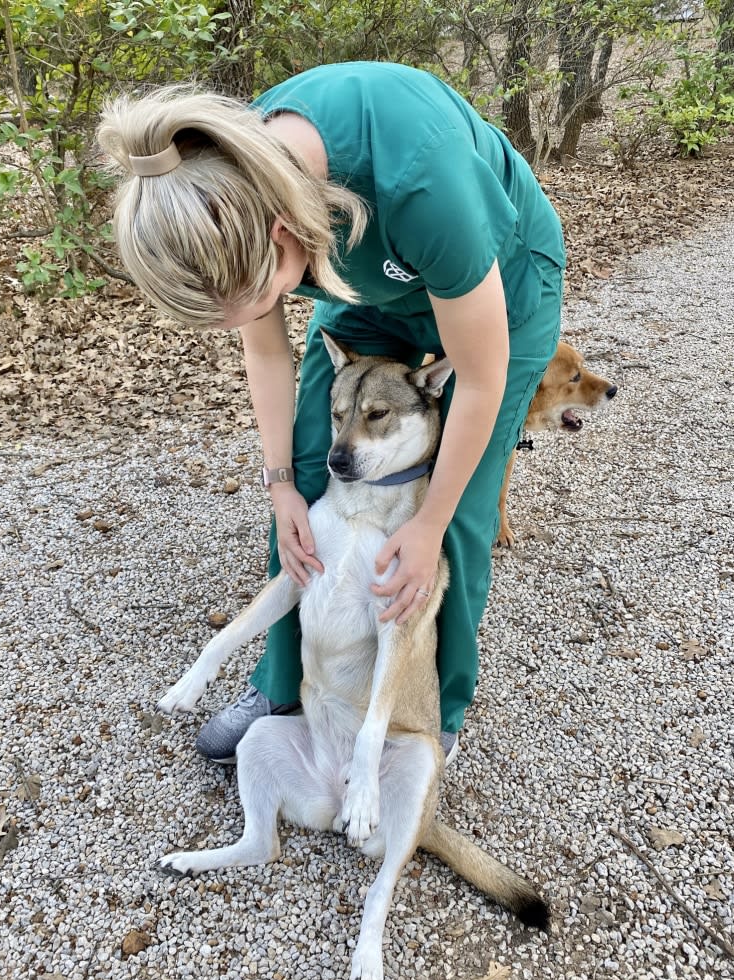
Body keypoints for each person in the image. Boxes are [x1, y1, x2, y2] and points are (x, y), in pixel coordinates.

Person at [97, 61, 565, 767]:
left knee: (458, 506)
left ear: (286, 230)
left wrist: (427, 519)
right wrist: (283, 482)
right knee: (321, 461)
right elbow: (267, 355)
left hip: (500, 286)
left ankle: (430, 713)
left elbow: (478, 377)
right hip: (369, 287)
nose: (257, 316)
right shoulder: (225, 179)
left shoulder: (419, 177)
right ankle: (281, 685)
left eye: (263, 298)